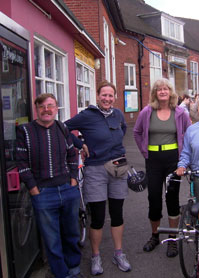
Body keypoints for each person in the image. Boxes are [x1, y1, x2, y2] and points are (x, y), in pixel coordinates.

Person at [65, 81, 131, 275]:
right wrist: (80, 144)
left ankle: (118, 253)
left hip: (118, 165)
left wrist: (114, 147)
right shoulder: (87, 115)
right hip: (95, 168)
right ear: (98, 95)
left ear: (115, 97)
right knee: (99, 216)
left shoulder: (118, 114)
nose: (107, 99)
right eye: (104, 95)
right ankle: (95, 256)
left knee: (117, 213)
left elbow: (123, 129)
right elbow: (63, 128)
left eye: (111, 96)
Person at [16, 94, 82, 278]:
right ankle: (62, 274)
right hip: (43, 194)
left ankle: (74, 270)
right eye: (43, 106)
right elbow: (22, 164)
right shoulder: (25, 131)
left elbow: (71, 155)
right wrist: (34, 190)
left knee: (72, 235)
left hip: (68, 190)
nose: (47, 109)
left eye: (50, 106)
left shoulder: (62, 128)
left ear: (56, 108)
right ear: (36, 108)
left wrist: (73, 180)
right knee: (52, 241)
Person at [133, 78, 191, 257]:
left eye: (166, 89)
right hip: (154, 160)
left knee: (172, 198)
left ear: (171, 92)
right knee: (154, 198)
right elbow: (137, 132)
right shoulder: (147, 111)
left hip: (173, 159)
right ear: (155, 93)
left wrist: (185, 159)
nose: (163, 92)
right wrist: (145, 151)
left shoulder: (180, 112)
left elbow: (189, 135)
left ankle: (172, 239)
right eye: (159, 89)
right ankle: (155, 235)